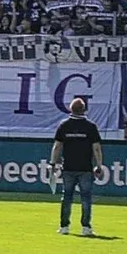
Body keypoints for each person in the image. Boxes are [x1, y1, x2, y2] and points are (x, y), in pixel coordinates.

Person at [50, 96, 104, 237]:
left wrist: (53, 163)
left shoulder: (64, 125)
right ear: (84, 109)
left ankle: (64, 226)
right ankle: (86, 227)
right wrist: (99, 165)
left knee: (66, 197)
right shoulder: (90, 127)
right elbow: (96, 148)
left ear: (71, 109)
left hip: (68, 167)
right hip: (85, 168)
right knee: (86, 198)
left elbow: (57, 146)